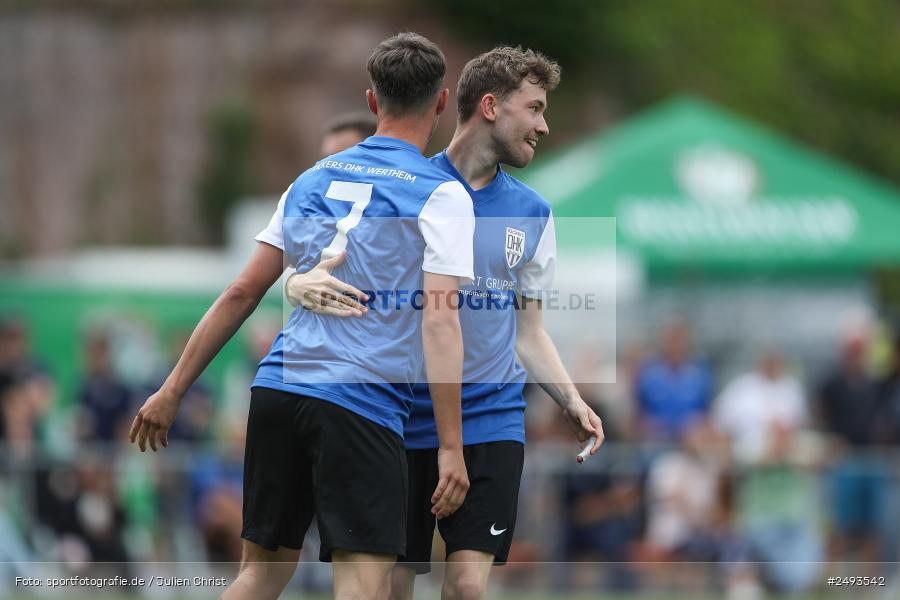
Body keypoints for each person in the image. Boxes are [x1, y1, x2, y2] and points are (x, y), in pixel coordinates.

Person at [129, 32, 476, 600]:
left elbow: (241, 291)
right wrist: (450, 446)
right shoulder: (443, 195)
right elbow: (441, 322)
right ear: (441, 103)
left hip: (279, 390)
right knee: (363, 583)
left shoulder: (311, 179)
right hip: (361, 403)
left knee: (260, 574)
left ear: (371, 101)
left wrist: (172, 390)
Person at [287, 46, 604, 600]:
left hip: (492, 421)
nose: (544, 125)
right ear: (489, 107)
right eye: (533, 108)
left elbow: (529, 333)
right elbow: (328, 272)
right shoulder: (411, 188)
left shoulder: (534, 214)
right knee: (392, 588)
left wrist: (571, 398)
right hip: (404, 418)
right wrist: (292, 283)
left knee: (466, 587)